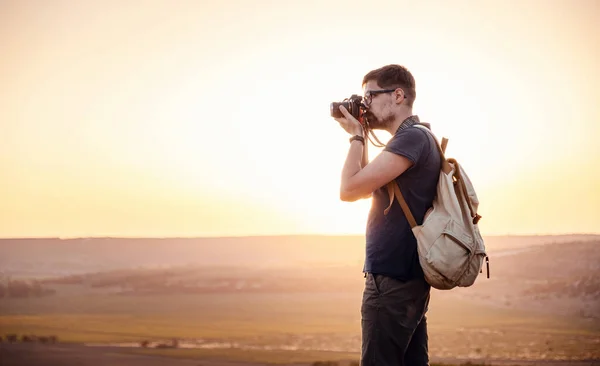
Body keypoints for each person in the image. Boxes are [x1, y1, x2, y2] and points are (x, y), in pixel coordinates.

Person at [333, 64, 441, 366]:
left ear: (397, 95)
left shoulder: (412, 140)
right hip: (406, 277)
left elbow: (350, 189)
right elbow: (365, 187)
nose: (364, 105)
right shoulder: (415, 138)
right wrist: (361, 134)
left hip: (393, 278)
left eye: (369, 96)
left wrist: (356, 136)